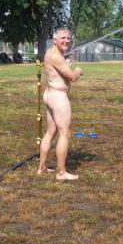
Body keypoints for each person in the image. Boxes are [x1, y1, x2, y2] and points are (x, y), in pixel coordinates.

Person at [37, 29, 83, 181]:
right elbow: (72, 77)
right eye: (63, 38)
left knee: (51, 132)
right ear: (54, 40)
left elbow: (59, 72)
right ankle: (61, 173)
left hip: (50, 95)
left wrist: (66, 64)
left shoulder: (53, 53)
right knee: (64, 133)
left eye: (68, 38)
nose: (67, 40)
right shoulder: (56, 56)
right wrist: (78, 71)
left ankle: (42, 168)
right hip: (58, 97)